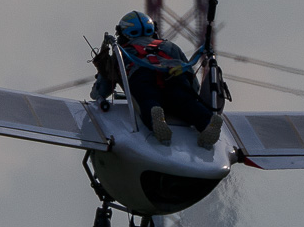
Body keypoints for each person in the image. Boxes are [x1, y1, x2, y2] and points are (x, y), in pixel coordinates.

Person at [91, 11, 223, 148]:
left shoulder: (120, 52)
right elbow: (193, 85)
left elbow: (102, 90)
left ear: (122, 33)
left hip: (141, 75)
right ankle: (207, 123)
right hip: (174, 74)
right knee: (186, 101)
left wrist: (96, 93)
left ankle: (155, 118)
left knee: (148, 99)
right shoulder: (170, 47)